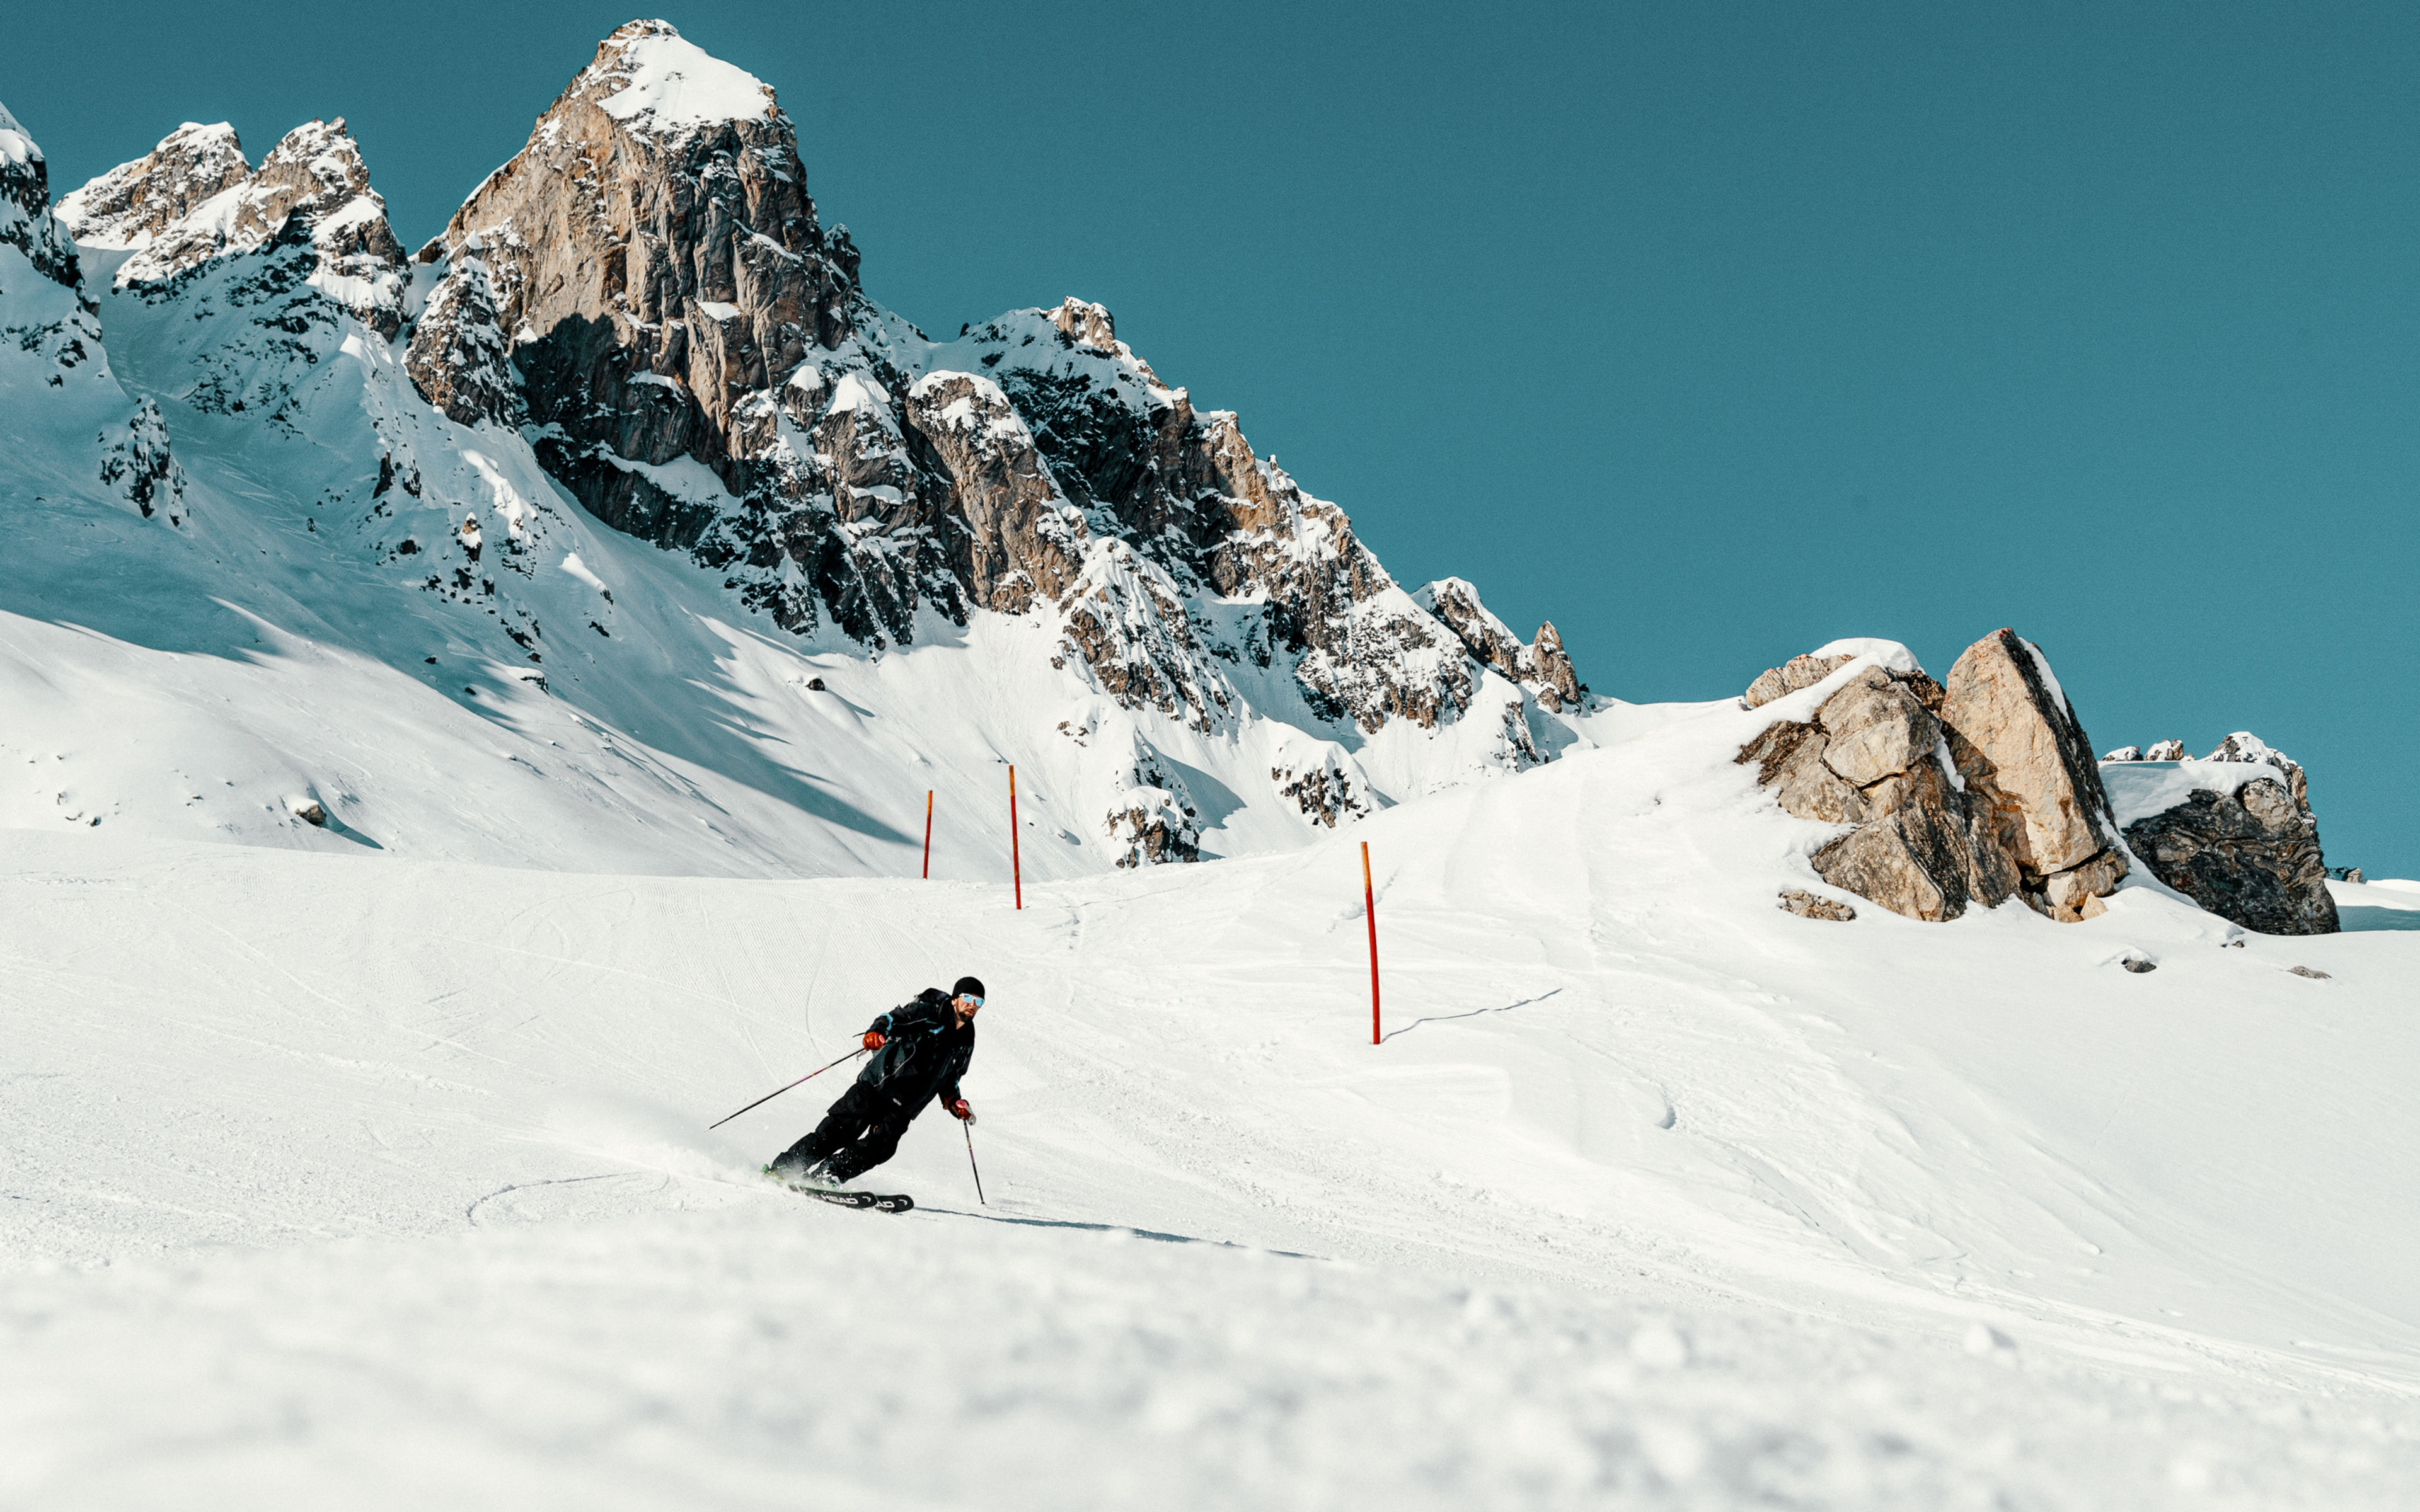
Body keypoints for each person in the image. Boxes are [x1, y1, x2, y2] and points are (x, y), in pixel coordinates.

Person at [768, 976, 984, 1188]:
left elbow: (951, 1076)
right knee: (837, 1132)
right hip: (878, 1086)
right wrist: (876, 1031)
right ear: (956, 998)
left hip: (905, 1106)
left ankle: (828, 1176)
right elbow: (892, 1019)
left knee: (880, 1148)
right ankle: (784, 1170)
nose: (972, 1005)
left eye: (978, 1002)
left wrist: (953, 1100)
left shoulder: (967, 1038)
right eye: (968, 998)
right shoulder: (931, 1013)